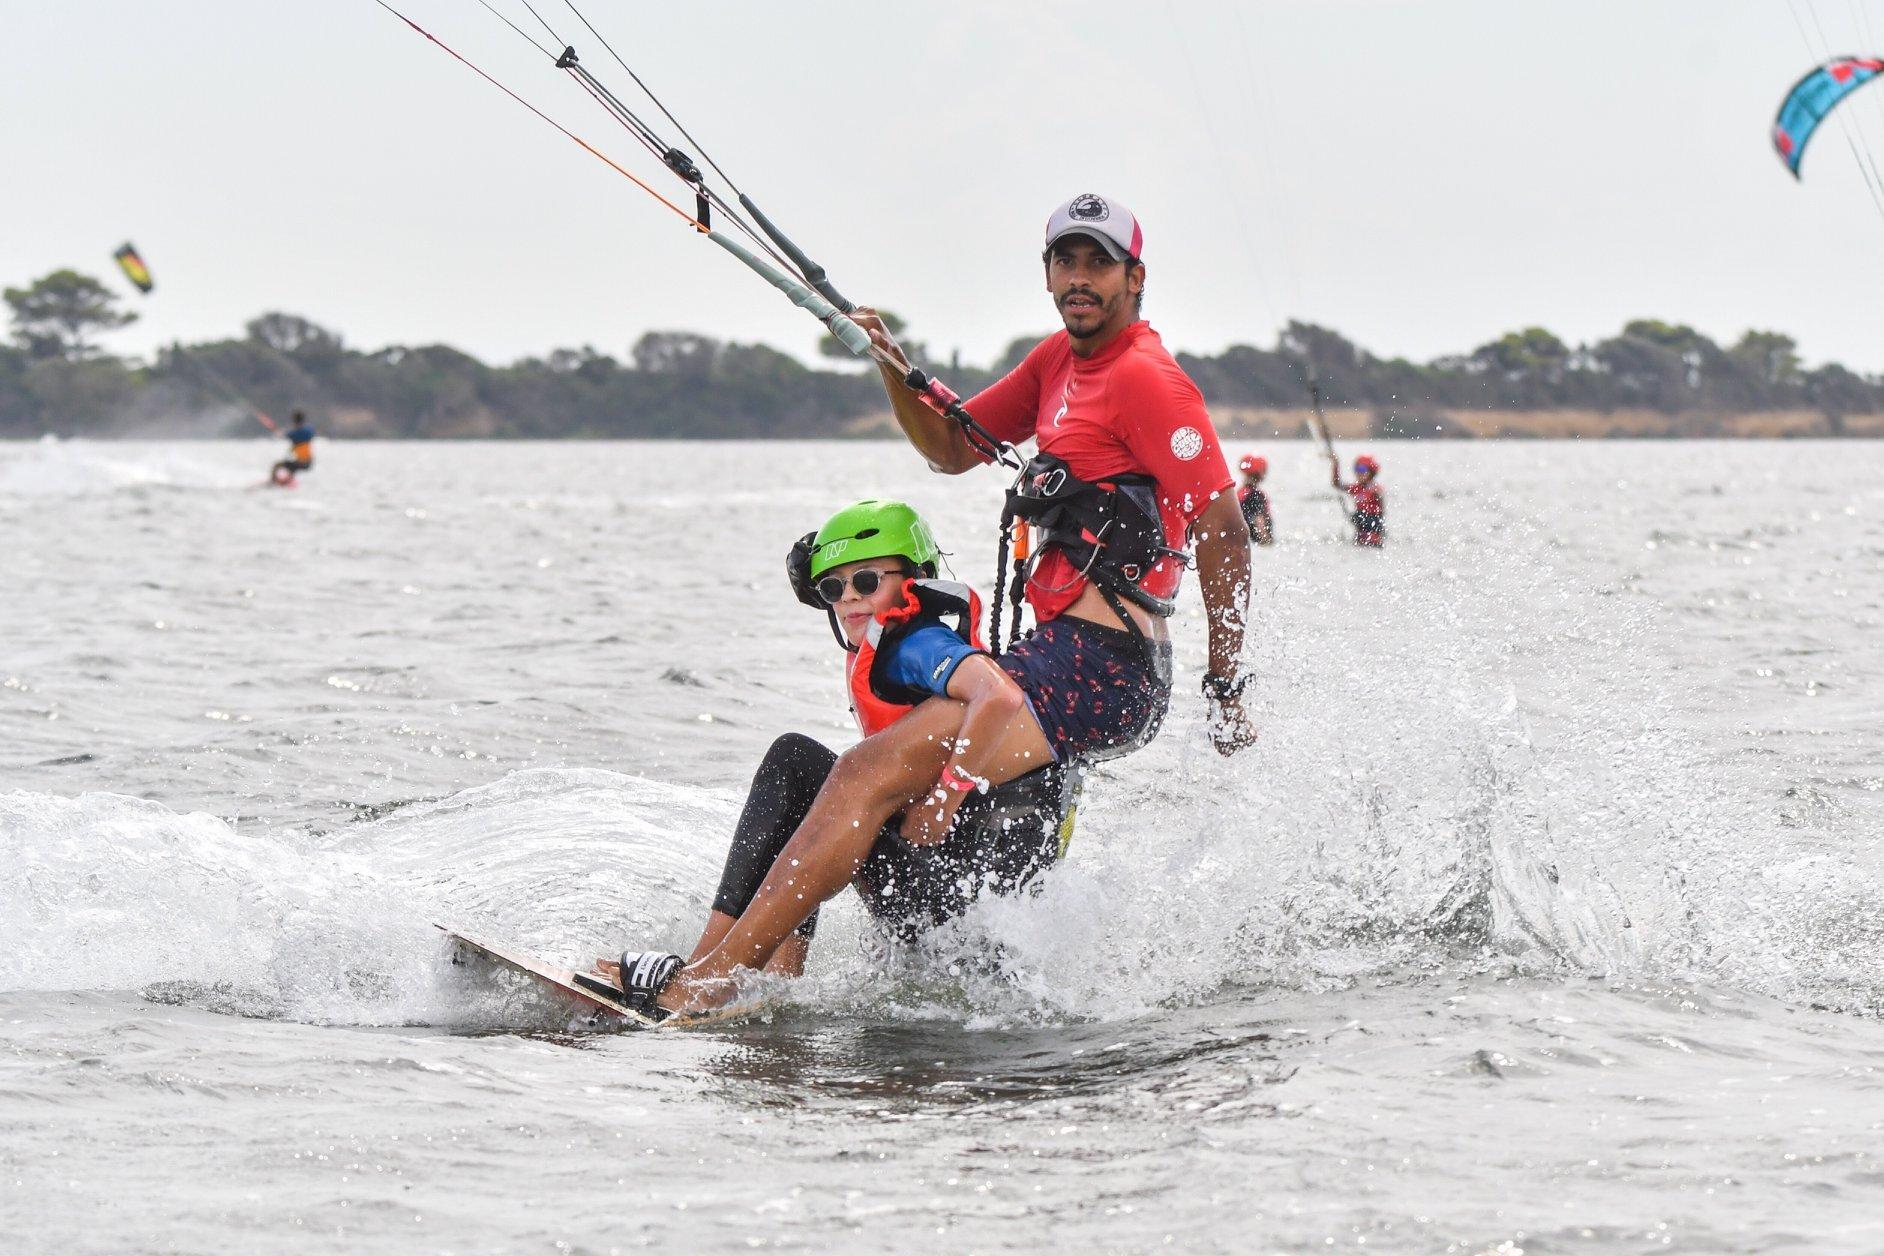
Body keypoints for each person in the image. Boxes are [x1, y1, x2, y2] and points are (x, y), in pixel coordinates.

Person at [589, 194, 1255, 1019]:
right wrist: (887, 362)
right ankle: (733, 972)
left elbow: (1225, 530)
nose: (1079, 279)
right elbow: (951, 447)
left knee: (868, 770)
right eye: (1065, 261)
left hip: (1109, 666)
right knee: (818, 770)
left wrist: (1227, 683)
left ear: (1134, 276)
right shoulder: (1057, 363)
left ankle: (708, 984)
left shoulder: (1149, 381)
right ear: (1048, 273)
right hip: (1055, 654)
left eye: (1098, 263)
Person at [579, 500, 1076, 1012]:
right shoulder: (893, 647)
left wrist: (946, 798)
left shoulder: (919, 643)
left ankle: (709, 977)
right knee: (809, 784)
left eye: (865, 580)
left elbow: (998, 695)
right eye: (832, 588)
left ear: (916, 578)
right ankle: (759, 978)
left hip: (956, 905)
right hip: (959, 905)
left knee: (795, 764)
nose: (849, 599)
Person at [1331, 453, 1385, 547]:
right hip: (1360, 535)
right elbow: (1336, 484)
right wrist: (1336, 464)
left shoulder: (1376, 489)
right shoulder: (1356, 488)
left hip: (1374, 535)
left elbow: (1380, 508)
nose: (1359, 473)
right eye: (1357, 469)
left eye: (1362, 469)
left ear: (1371, 472)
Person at [1237, 454, 1274, 546]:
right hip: (1255, 542)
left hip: (1241, 540)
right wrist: (1266, 541)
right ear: (1261, 474)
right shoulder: (1257, 495)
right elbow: (1259, 519)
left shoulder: (1239, 493)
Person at [270, 411, 315, 486]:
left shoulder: (296, 433)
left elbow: (285, 435)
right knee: (292, 467)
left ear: (294, 421)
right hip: (308, 462)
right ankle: (288, 480)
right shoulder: (309, 430)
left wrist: (276, 430)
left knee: (277, 465)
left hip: (302, 463)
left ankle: (273, 482)